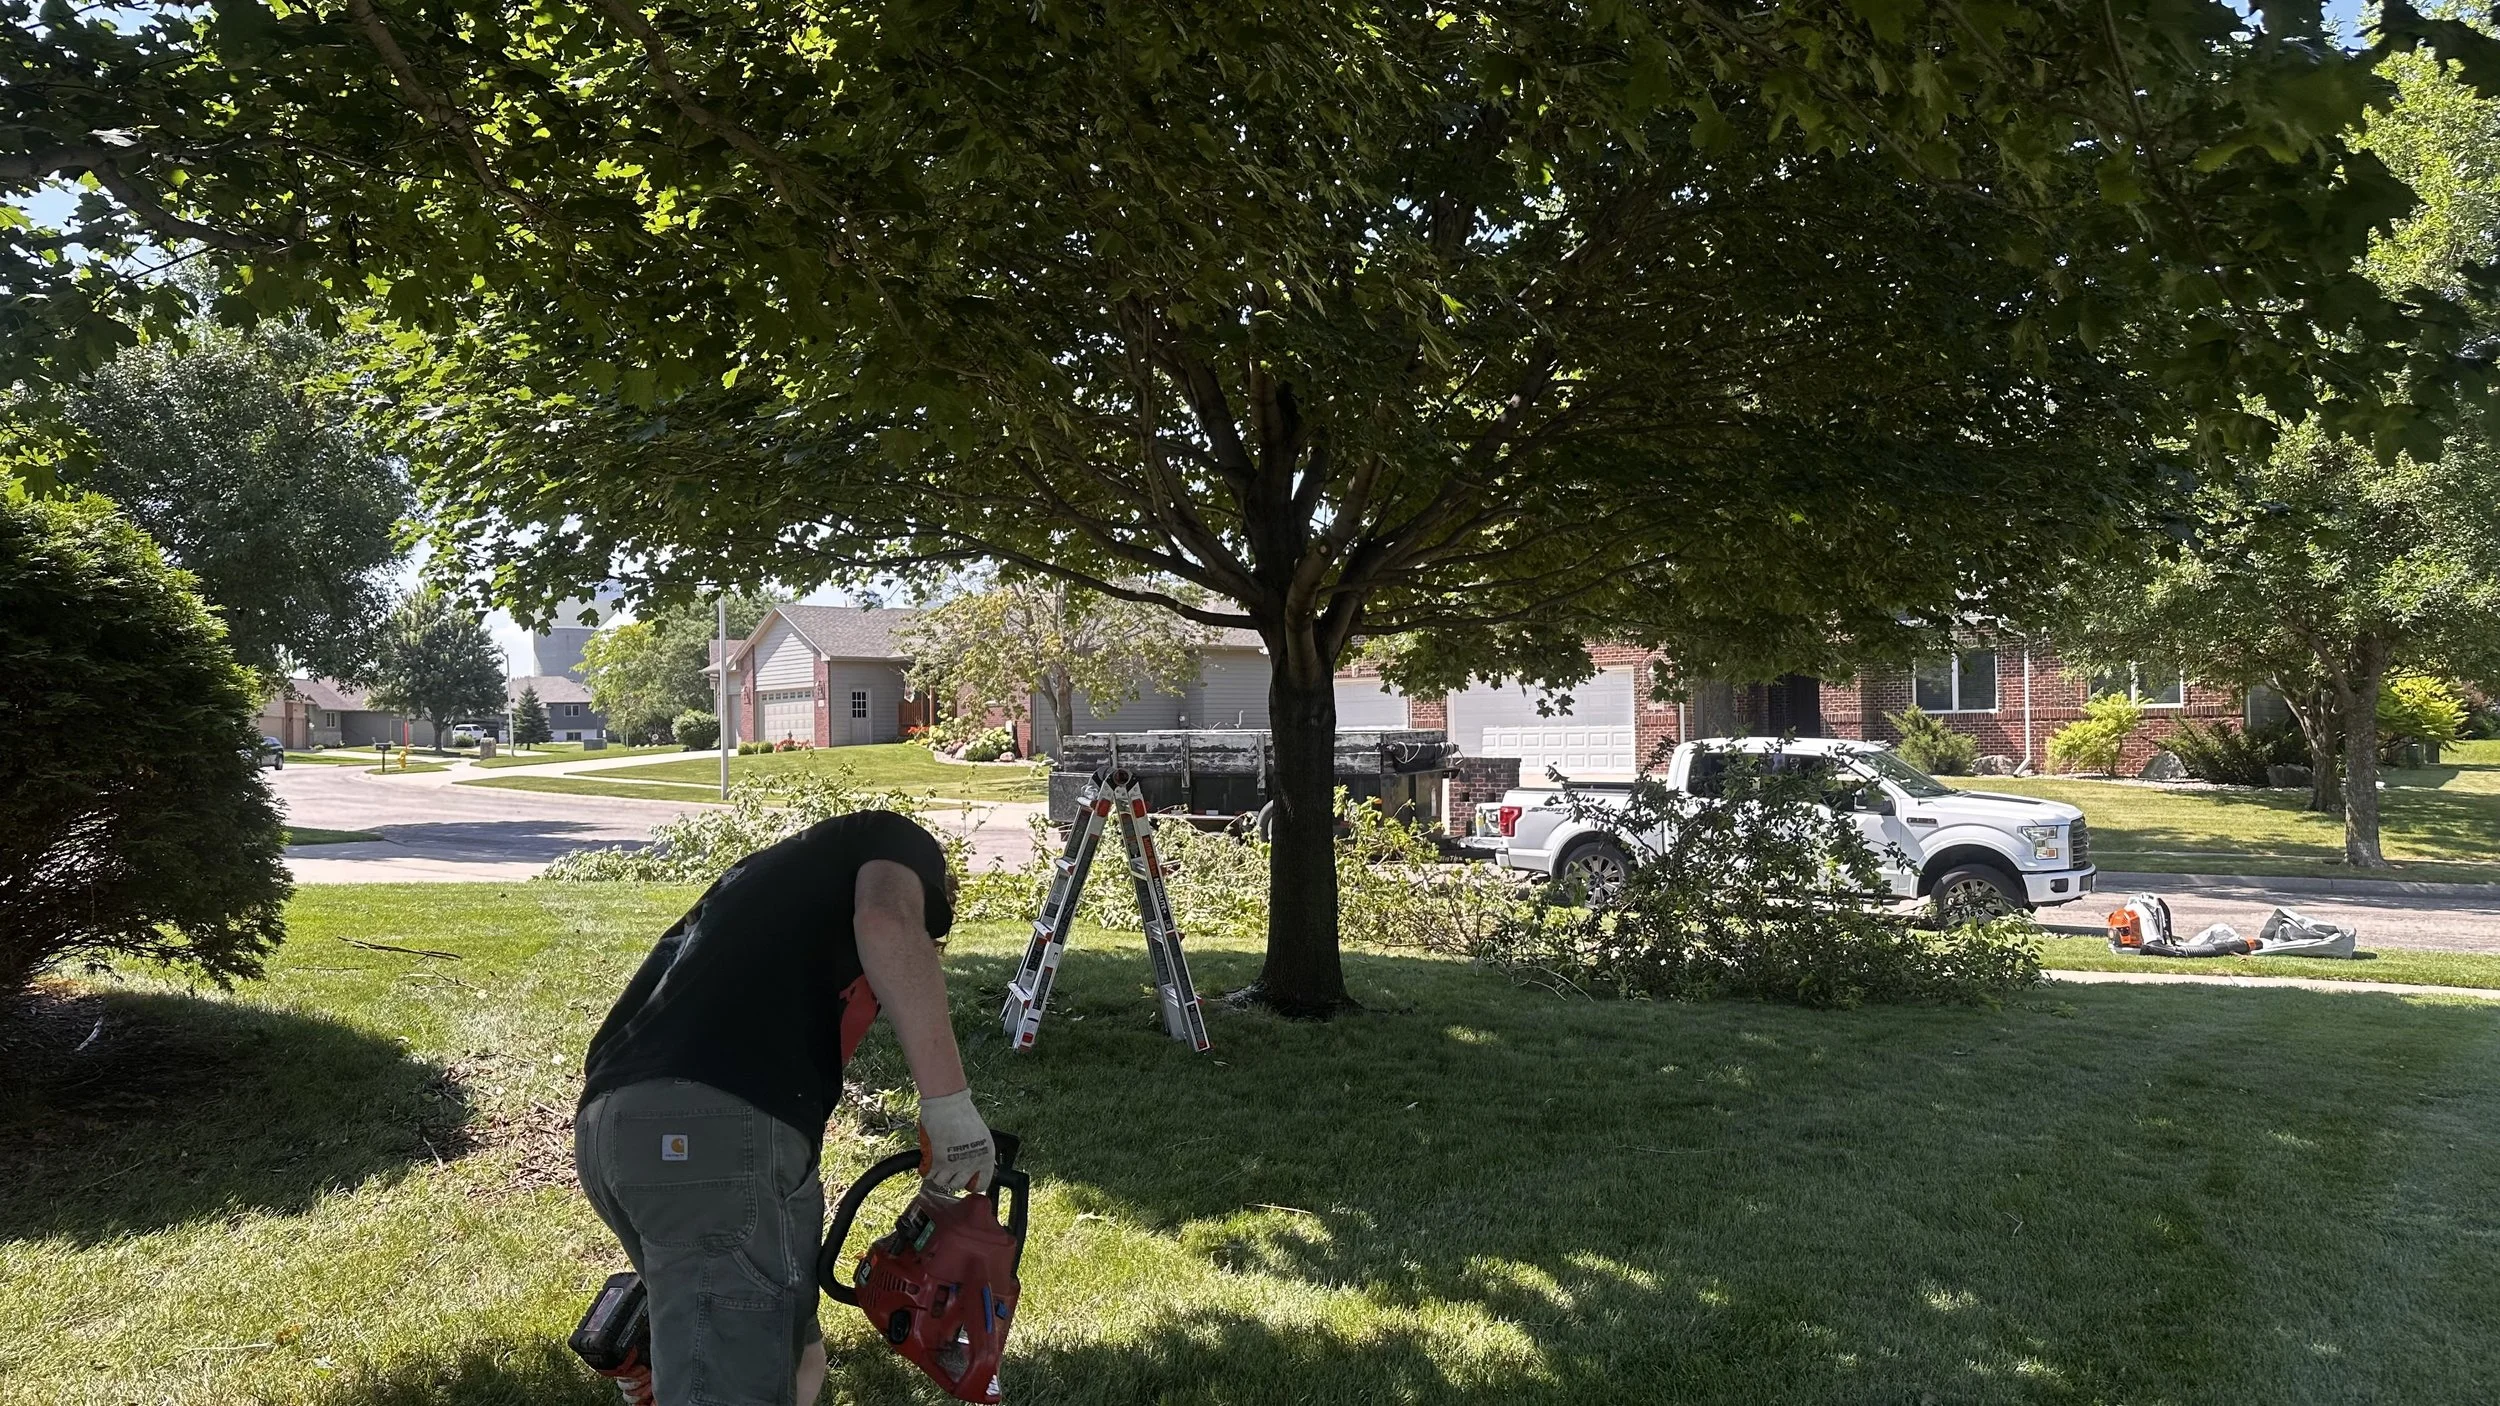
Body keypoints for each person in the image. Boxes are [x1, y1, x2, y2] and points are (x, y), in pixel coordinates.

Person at [573, 809, 993, 1406]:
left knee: (792, 1352)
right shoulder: (896, 842)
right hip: (707, 1132)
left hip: (612, 1128)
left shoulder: (758, 893)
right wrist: (949, 1104)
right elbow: (887, 920)